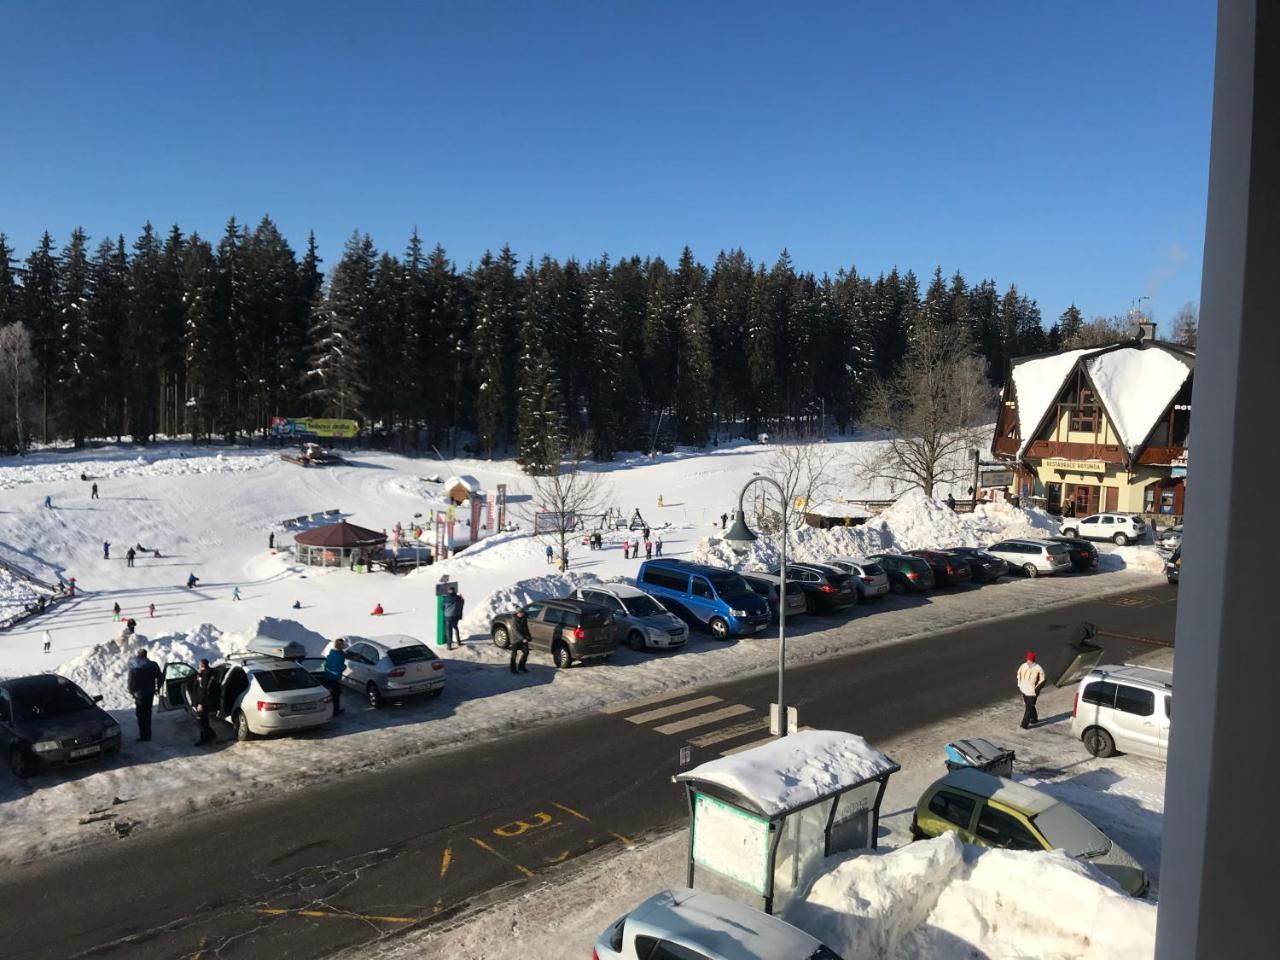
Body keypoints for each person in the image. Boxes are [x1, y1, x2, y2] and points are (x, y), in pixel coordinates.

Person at [127, 648, 162, 741]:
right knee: (148, 713)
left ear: (138, 655)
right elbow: (159, 677)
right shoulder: (153, 665)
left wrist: (131, 691)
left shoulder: (134, 666)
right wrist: (158, 688)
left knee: (140, 715)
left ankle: (143, 735)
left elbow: (131, 680)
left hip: (139, 694)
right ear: (146, 655)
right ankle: (148, 734)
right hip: (150, 692)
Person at [193, 658, 220, 745]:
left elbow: (204, 690)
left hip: (204, 702)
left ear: (202, 666)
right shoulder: (208, 673)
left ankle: (212, 736)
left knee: (200, 722)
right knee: (204, 721)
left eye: (200, 665)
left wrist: (200, 703)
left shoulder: (206, 675)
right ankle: (204, 739)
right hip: (206, 701)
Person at [1017, 651, 1047, 729]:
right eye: (1028, 659)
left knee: (1028, 708)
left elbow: (1043, 680)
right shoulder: (1023, 666)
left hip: (1032, 692)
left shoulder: (1038, 668)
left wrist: (1036, 689)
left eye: (1030, 660)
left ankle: (1024, 724)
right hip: (1024, 690)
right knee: (1029, 706)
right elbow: (1018, 674)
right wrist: (1020, 684)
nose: (1029, 661)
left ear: (1033, 660)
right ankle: (1034, 719)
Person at [322, 638, 347, 714]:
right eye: (342, 644)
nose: (344, 645)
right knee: (336, 695)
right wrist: (344, 667)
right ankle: (335, 711)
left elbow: (326, 664)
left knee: (332, 695)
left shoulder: (331, 653)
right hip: (334, 678)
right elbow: (339, 666)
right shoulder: (339, 655)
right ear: (339, 645)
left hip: (328, 676)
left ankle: (332, 710)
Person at [509, 609, 531, 674]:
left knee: (526, 652)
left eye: (522, 613)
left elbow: (526, 628)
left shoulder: (524, 619)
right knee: (514, 655)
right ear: (517, 613)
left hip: (523, 639)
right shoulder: (514, 620)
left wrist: (529, 636)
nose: (521, 614)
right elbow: (515, 631)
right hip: (515, 640)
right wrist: (522, 638)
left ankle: (521, 667)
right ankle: (513, 669)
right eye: (520, 613)